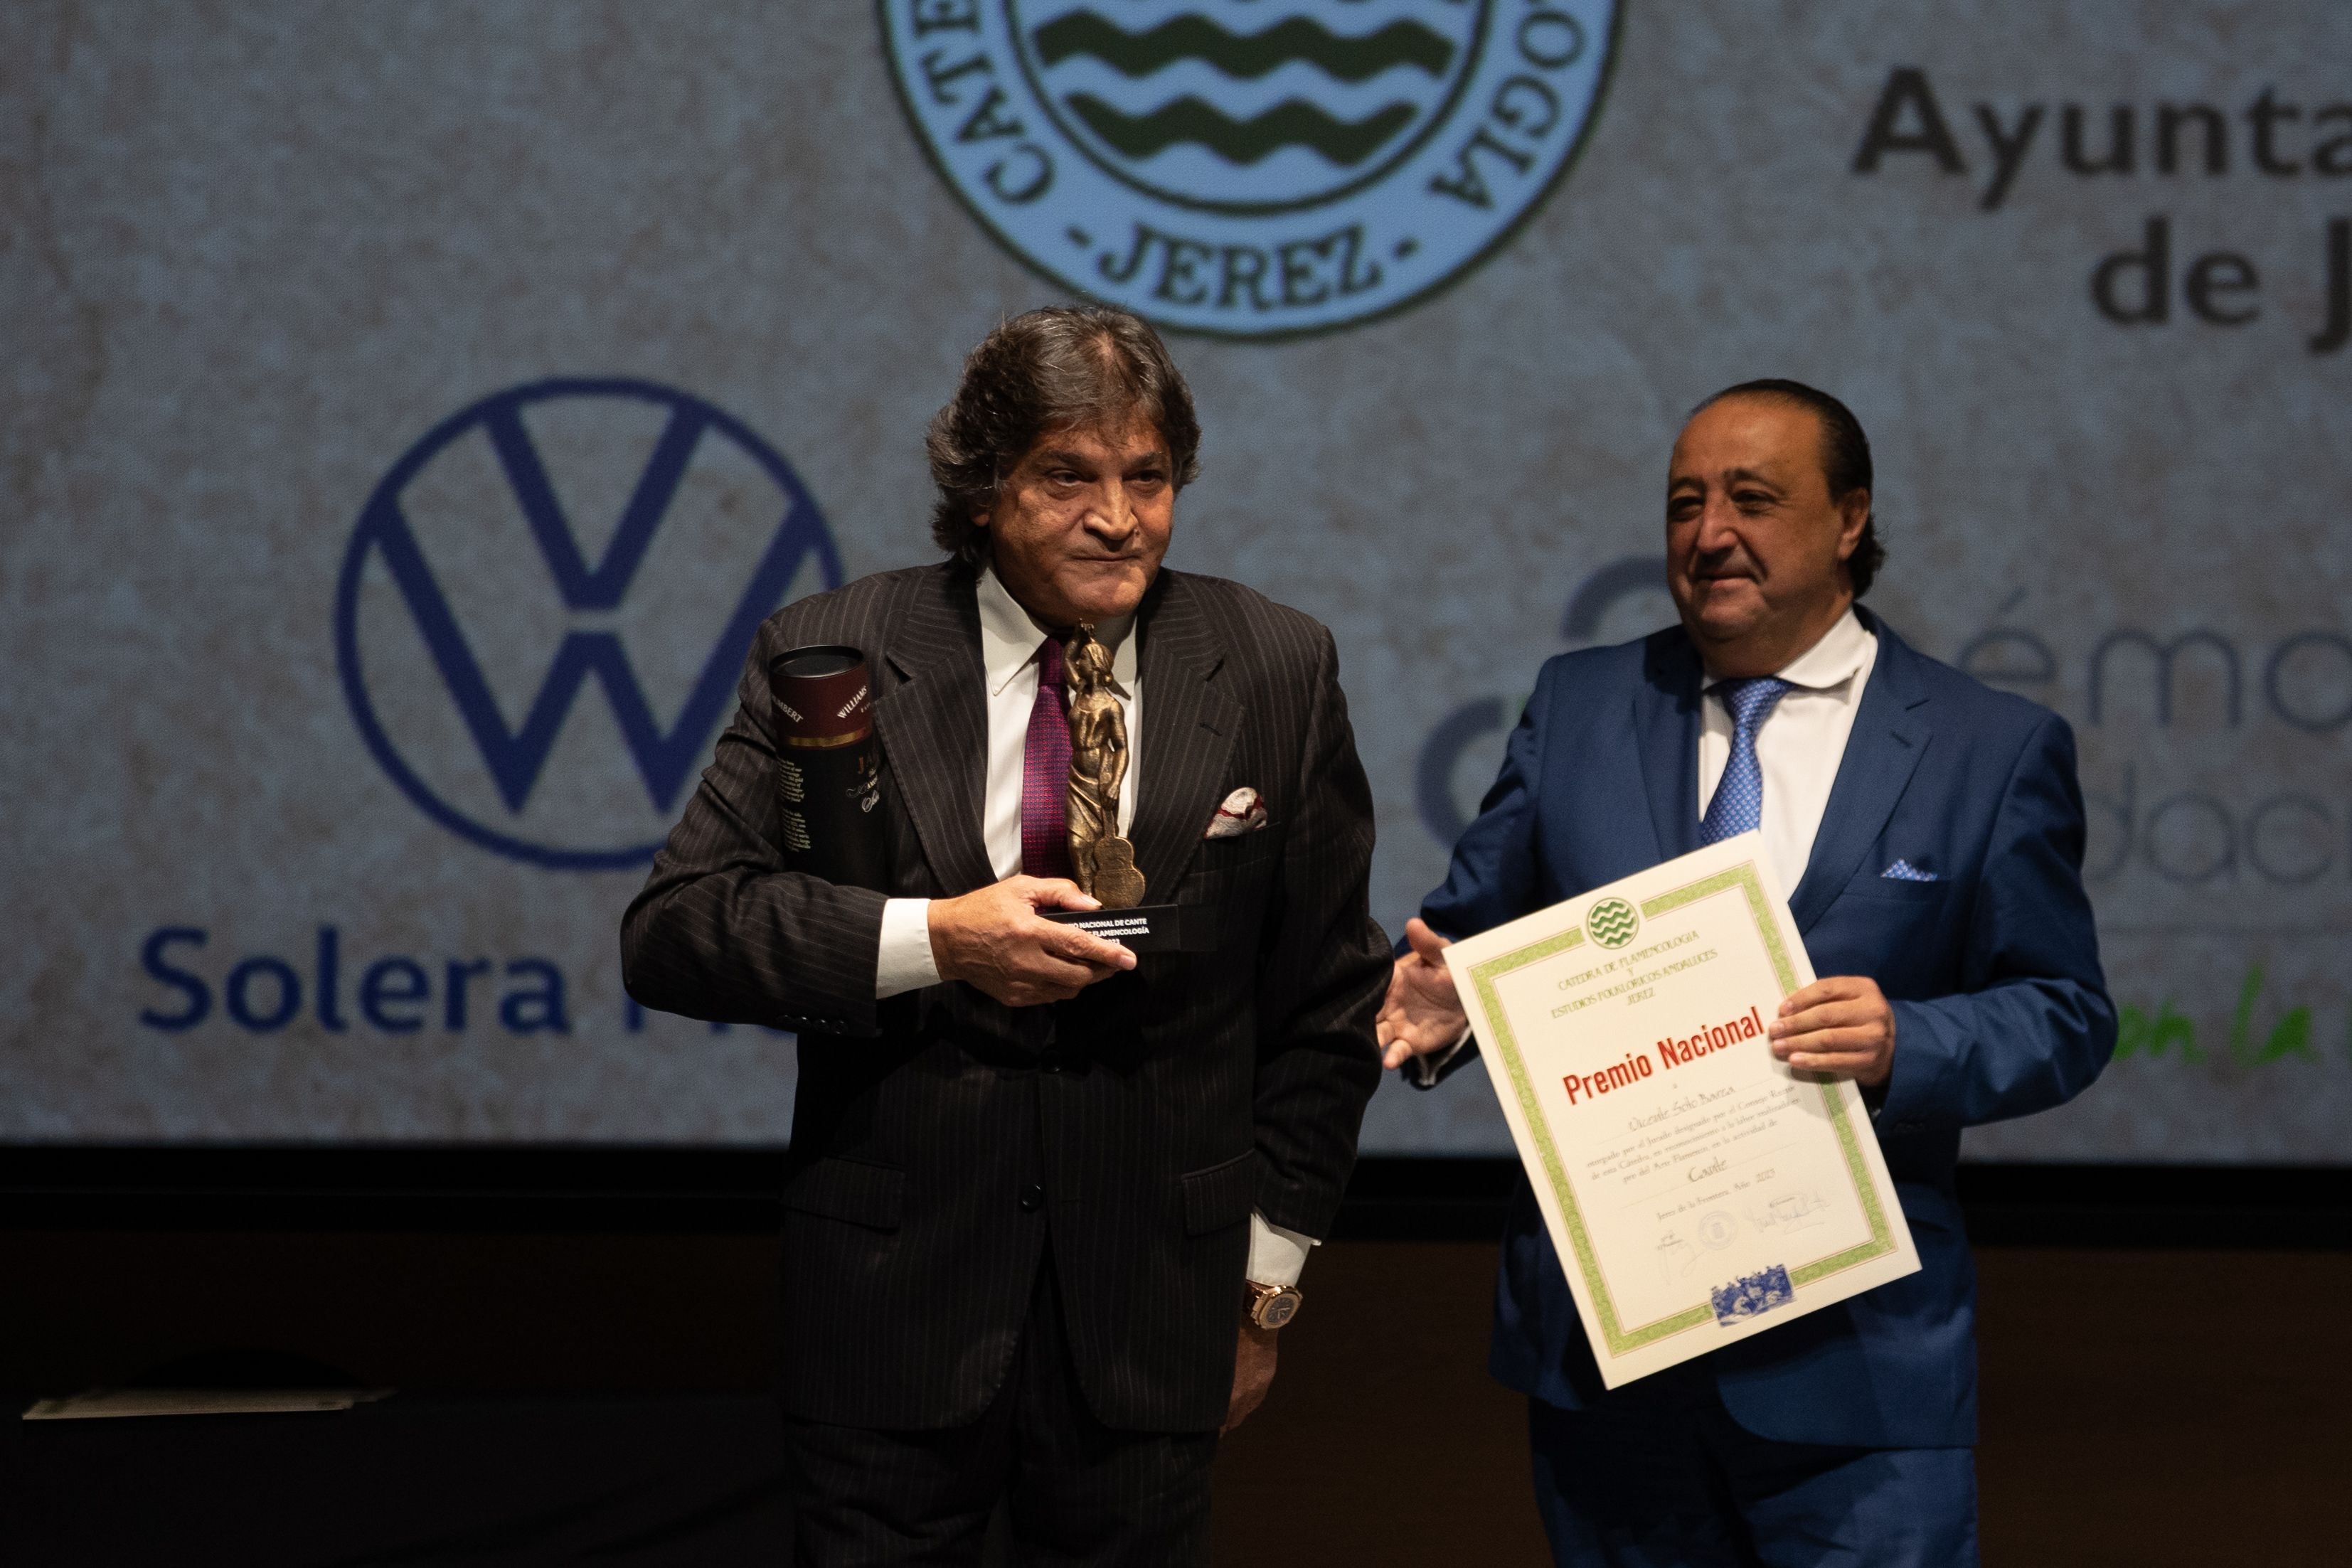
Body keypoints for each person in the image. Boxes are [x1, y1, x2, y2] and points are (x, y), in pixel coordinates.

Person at [622, 304, 1388, 1564]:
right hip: (889, 1313)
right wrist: (936, 938)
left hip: (1155, 1318)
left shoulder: (1274, 666)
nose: (1118, 516)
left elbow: (1324, 1003)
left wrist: (1263, 1287)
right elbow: (675, 929)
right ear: (982, 491)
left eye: (1148, 477)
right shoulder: (838, 650)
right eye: (1067, 477)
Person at [1378, 380, 2115, 1565]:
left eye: (1753, 499)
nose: (1709, 530)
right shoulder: (1579, 704)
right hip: (1607, 1356)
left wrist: (1905, 1042)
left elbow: (2067, 1013)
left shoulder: (1989, 746)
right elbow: (1468, 939)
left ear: (1850, 519)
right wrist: (1447, 1009)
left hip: (1859, 1368)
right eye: (1685, 502)